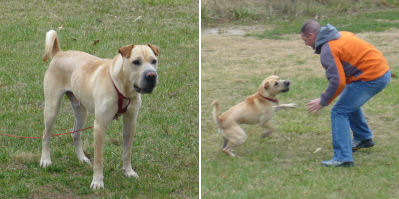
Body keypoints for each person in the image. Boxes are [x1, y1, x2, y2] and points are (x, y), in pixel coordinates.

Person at [300, 20, 391, 167]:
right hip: (381, 71)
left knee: (339, 111)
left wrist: (323, 100)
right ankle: (363, 138)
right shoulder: (340, 34)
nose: (305, 44)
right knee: (347, 102)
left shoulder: (328, 49)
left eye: (305, 40)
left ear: (311, 35)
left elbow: (338, 82)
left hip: (372, 77)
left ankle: (343, 158)